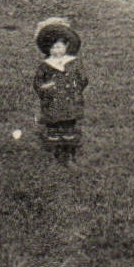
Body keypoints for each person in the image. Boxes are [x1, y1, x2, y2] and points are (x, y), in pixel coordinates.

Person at [32, 18, 88, 164]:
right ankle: (56, 151)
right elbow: (38, 82)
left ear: (66, 47)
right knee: (54, 126)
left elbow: (82, 79)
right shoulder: (45, 66)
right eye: (53, 48)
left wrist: (76, 87)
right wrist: (45, 88)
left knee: (69, 125)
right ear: (48, 49)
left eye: (60, 47)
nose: (57, 51)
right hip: (52, 102)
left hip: (70, 100)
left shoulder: (73, 63)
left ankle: (70, 151)